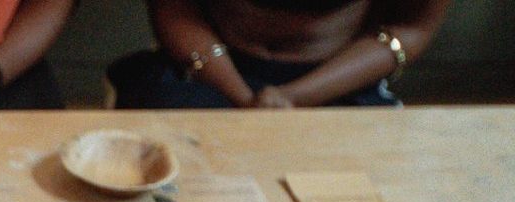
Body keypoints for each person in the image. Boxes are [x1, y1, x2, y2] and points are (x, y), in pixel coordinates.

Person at [110, 0, 450, 107]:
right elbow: (175, 9)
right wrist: (244, 97)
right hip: (207, 69)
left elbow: (411, 27)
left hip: (340, 76)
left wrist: (291, 97)